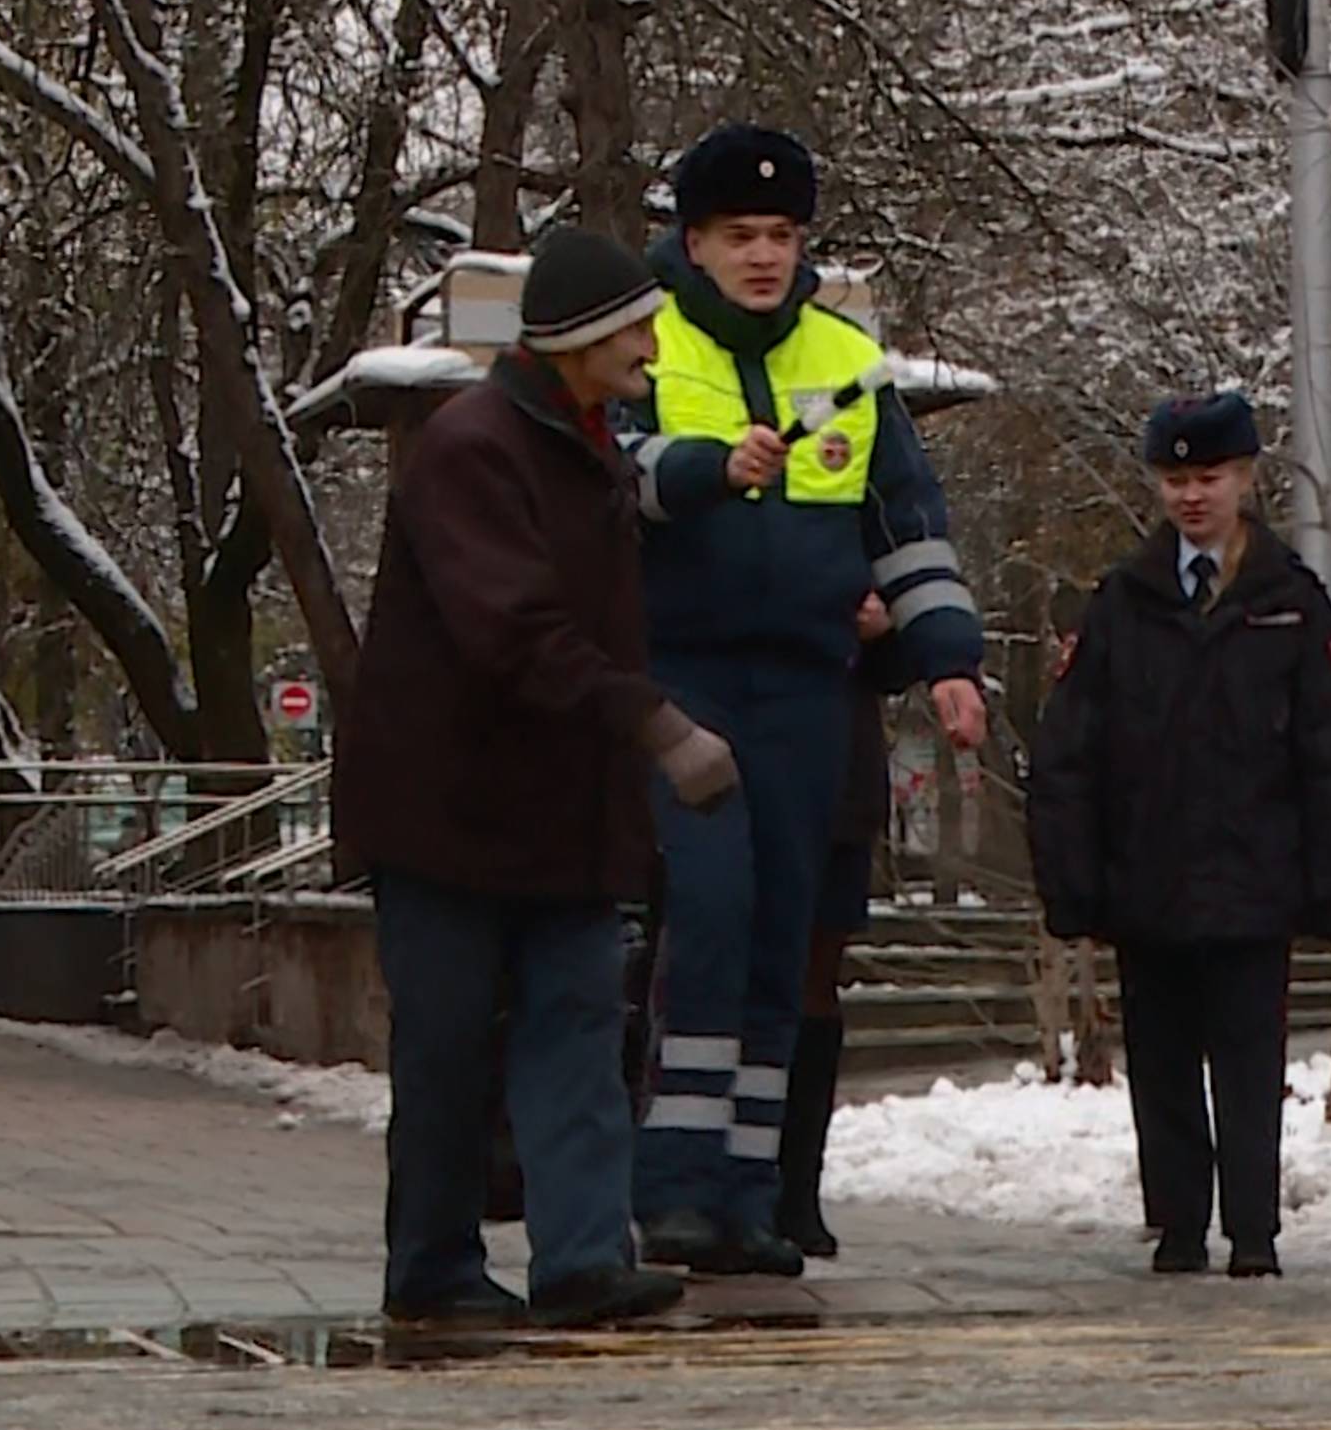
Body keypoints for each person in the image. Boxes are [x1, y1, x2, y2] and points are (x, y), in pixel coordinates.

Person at [337, 224, 723, 1331]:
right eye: (636, 325)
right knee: (450, 1046)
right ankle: (431, 1265)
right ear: (576, 340)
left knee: (576, 1037)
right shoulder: (474, 447)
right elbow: (513, 631)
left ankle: (583, 1257)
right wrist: (654, 725)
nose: (653, 341)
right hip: (447, 815)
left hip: (559, 816)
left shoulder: (582, 442)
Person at [618, 123, 987, 1275]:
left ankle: (748, 1191)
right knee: (711, 915)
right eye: (740, 236)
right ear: (695, 242)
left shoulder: (846, 358)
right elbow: (610, 472)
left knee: (784, 930)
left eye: (780, 236)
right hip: (682, 675)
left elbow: (908, 529)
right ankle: (670, 1187)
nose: (764, 256)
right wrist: (702, 468)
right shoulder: (647, 338)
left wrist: (947, 661)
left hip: (805, 686)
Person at [1026, 392, 1331, 1279]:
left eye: (1209, 478)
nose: (1192, 497)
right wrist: (1071, 884)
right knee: (1164, 1066)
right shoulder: (1120, 605)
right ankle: (1179, 1226)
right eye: (1175, 479)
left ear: (1245, 478)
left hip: (1255, 884)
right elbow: (1070, 753)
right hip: (1147, 882)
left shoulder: (1290, 604)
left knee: (1250, 1066)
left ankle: (1254, 1233)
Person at [777, 593, 905, 1258]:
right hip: (740, 756)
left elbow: (904, 656)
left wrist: (885, 630)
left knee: (814, 983)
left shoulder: (857, 504)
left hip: (839, 781)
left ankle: (797, 1190)